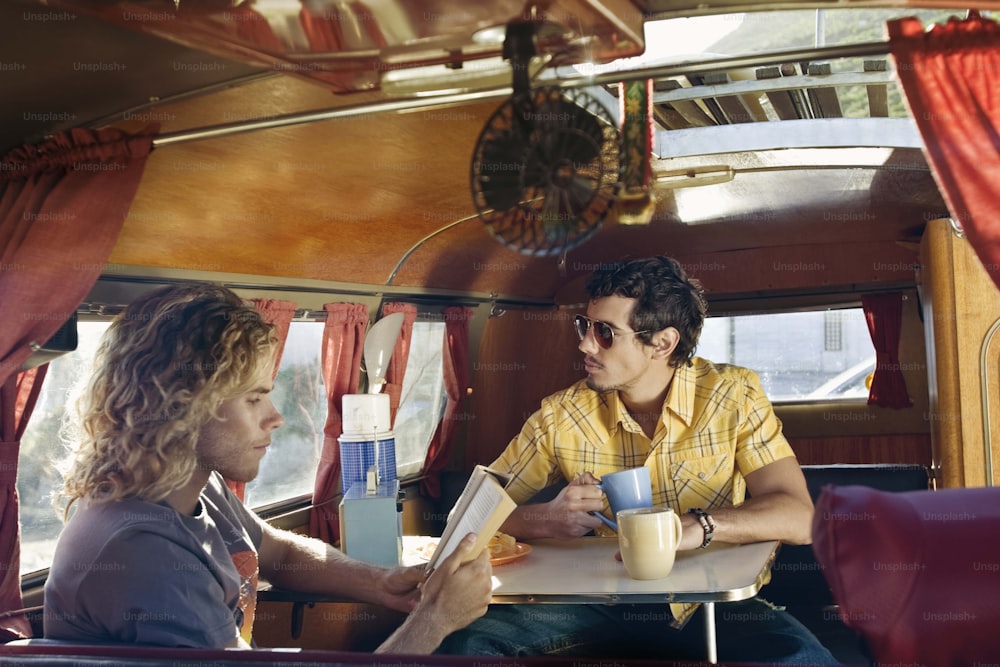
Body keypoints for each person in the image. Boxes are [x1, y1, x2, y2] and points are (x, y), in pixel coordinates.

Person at [43, 283, 491, 652]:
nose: (275, 417)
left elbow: (274, 551)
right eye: (254, 398)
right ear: (183, 407)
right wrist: (434, 621)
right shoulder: (143, 553)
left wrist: (382, 582)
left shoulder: (186, 483)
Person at [437, 256, 838, 663]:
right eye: (585, 326)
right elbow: (466, 519)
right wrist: (545, 518)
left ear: (662, 343)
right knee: (466, 647)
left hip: (714, 604)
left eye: (605, 333)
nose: (585, 344)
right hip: (596, 602)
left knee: (805, 659)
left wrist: (695, 527)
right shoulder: (561, 416)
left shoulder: (734, 396)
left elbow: (799, 516)